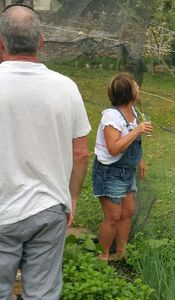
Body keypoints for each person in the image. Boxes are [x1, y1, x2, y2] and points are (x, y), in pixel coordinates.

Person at [0, 4, 91, 300]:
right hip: (49, 207)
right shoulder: (66, 88)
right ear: (41, 42)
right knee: (42, 295)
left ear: (1, 42)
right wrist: (71, 198)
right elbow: (81, 154)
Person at [92, 72, 153, 261]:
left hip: (126, 171)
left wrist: (139, 159)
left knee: (127, 213)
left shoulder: (133, 112)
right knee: (113, 216)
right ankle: (103, 257)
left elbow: (132, 143)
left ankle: (121, 254)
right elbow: (113, 148)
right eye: (136, 86)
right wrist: (136, 131)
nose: (139, 88)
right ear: (129, 93)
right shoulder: (112, 116)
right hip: (110, 172)